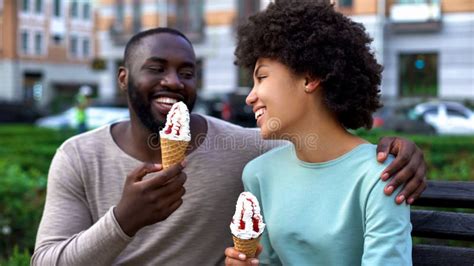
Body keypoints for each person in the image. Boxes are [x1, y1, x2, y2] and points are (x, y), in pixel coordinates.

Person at [32, 27, 426, 265]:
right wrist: (124, 220)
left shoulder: (248, 151)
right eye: (156, 68)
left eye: (186, 72)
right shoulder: (78, 155)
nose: (173, 81)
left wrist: (398, 151)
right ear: (123, 78)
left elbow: (323, 150)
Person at [225, 1, 414, 265]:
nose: (250, 97)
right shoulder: (258, 174)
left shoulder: (379, 176)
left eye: (262, 78)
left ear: (310, 78)